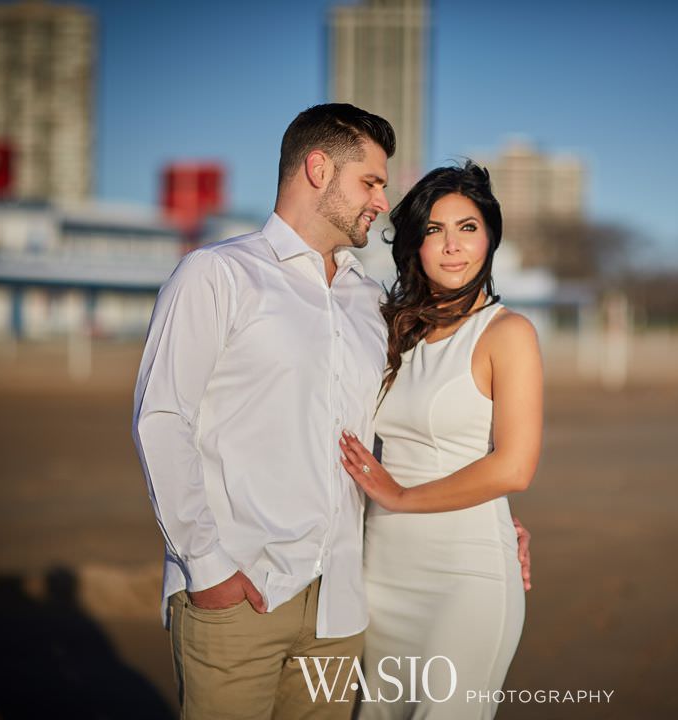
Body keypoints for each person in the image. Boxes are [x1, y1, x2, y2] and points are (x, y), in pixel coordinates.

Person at [132, 105, 530, 720]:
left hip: (343, 608)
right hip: (240, 593)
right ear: (319, 169)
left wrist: (490, 527)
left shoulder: (370, 304)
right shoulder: (217, 275)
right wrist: (208, 570)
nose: (380, 199)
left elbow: (393, 438)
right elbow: (162, 420)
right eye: (370, 181)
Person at [338, 162, 542, 719]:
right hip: (380, 572)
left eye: (468, 228)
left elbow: (513, 468)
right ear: (415, 246)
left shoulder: (508, 333)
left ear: (491, 238)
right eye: (434, 231)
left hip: (464, 575)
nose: (453, 247)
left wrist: (401, 495)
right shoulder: (396, 332)